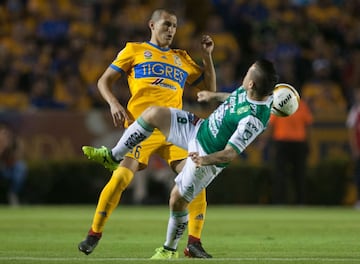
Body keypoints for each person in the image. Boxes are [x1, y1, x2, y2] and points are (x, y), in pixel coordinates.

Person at [83, 59, 278, 259]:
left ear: (252, 84)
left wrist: (204, 160)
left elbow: (230, 153)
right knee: (153, 114)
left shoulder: (252, 120)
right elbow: (235, 99)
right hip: (198, 129)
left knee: (176, 200)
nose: (244, 76)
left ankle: (169, 249)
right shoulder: (252, 92)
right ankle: (113, 156)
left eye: (248, 74)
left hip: (206, 156)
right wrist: (213, 95)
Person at [78, 8, 216, 258]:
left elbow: (210, 90)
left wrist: (207, 57)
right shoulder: (134, 50)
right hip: (142, 128)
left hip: (174, 129)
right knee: (121, 179)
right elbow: (103, 81)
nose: (171, 30)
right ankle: (94, 233)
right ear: (151, 25)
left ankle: (194, 242)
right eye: (166, 25)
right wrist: (114, 103)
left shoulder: (181, 58)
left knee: (195, 176)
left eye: (174, 26)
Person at [266, 98, 313, 204]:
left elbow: (271, 126)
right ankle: (300, 201)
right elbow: (308, 126)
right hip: (298, 142)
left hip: (282, 142)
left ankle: (279, 202)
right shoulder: (302, 105)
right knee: (299, 174)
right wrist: (309, 144)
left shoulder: (279, 104)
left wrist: (269, 143)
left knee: (280, 174)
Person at [0, 123, 27, 206]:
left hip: (10, 170)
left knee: (21, 167)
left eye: (5, 133)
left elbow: (18, 157)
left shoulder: (14, 143)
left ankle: (12, 194)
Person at [346, 88, 360, 209]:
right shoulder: (355, 111)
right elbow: (351, 130)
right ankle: (358, 200)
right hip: (359, 150)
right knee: (359, 176)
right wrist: (355, 149)